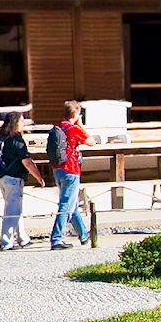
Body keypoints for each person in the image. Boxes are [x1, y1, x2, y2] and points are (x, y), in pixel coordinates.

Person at [0, 110, 43, 249]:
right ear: (16, 123)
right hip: (14, 179)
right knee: (12, 211)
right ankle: (6, 242)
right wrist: (38, 177)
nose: (23, 124)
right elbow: (27, 161)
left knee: (15, 209)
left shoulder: (2, 137)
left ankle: (23, 238)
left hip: (3, 178)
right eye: (21, 121)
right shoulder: (17, 140)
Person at [46, 98, 95, 250]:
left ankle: (83, 235)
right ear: (76, 114)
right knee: (66, 205)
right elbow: (91, 141)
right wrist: (80, 125)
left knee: (71, 204)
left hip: (57, 169)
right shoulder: (73, 129)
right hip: (71, 170)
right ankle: (56, 238)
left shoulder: (58, 127)